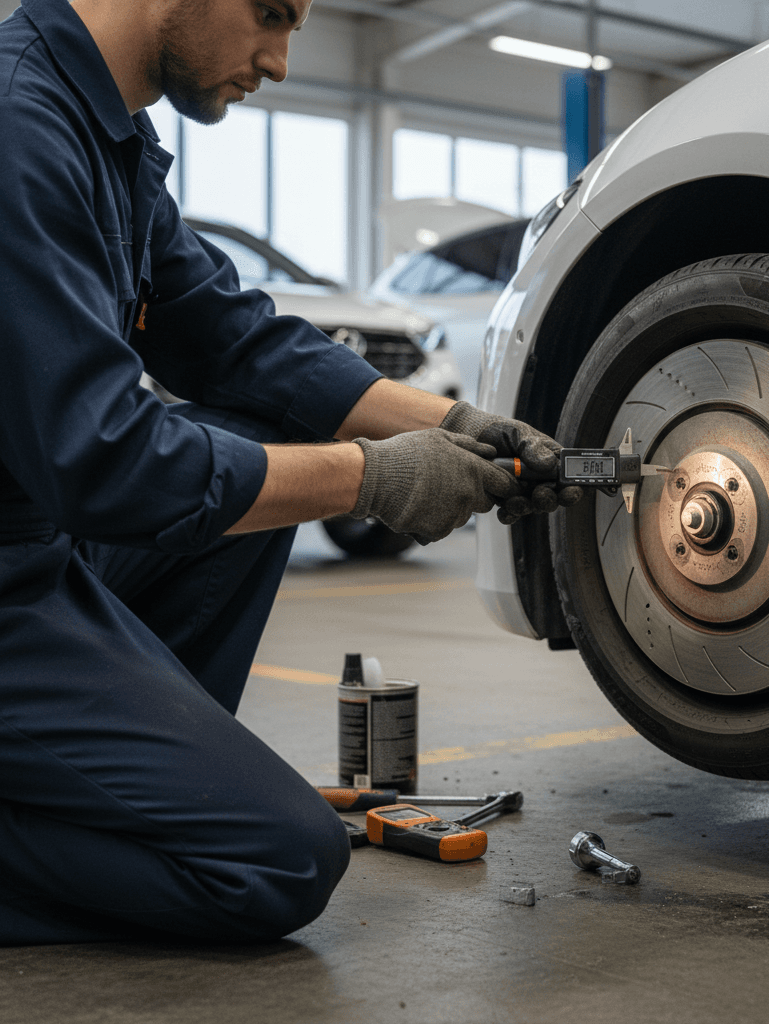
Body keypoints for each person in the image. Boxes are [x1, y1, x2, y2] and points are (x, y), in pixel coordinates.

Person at [0, 0, 578, 945]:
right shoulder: (20, 126)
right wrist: (372, 480)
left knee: (264, 419)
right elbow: (105, 462)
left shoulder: (105, 135)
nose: (276, 60)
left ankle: (128, 783)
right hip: (19, 570)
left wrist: (462, 426)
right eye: (270, 13)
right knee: (275, 860)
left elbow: (238, 343)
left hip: (40, 552)